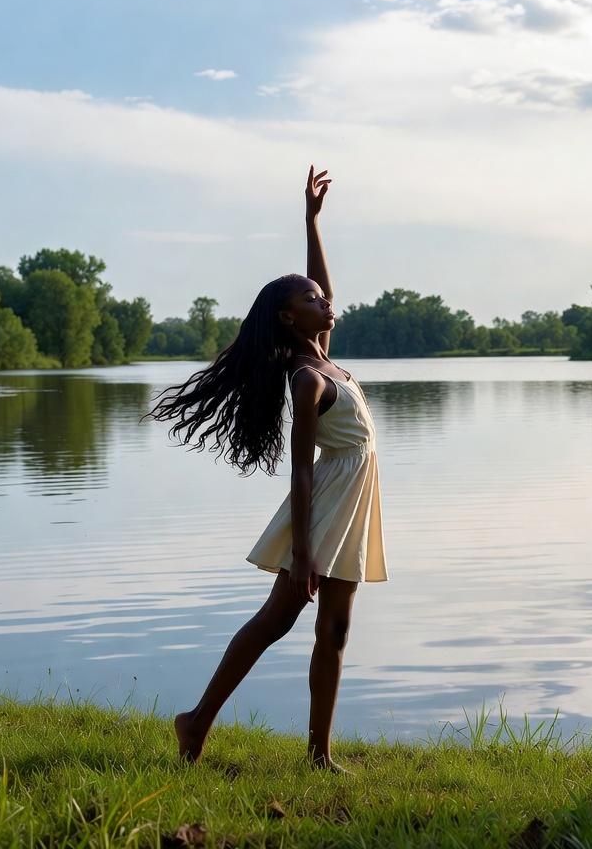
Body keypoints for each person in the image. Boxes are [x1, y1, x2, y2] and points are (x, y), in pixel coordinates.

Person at [149, 166, 386, 771]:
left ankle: (318, 755)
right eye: (308, 300)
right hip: (324, 506)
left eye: (319, 295)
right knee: (277, 620)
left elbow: (324, 285)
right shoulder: (307, 380)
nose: (323, 301)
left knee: (333, 632)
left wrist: (310, 222)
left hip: (351, 504)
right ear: (287, 318)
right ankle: (196, 722)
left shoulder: (325, 359)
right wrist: (302, 552)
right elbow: (300, 471)